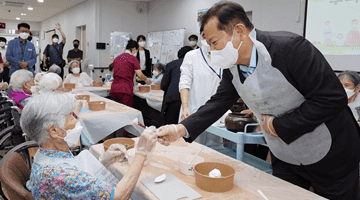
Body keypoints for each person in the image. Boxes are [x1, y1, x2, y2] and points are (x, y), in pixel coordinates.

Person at [156, 2, 360, 200]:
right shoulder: (232, 66)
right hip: (286, 156)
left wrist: (277, 125)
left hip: (332, 153)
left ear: (238, 31)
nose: (212, 50)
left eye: (214, 42)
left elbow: (332, 98)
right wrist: (180, 129)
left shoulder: (291, 49)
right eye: (209, 44)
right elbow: (218, 102)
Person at [21, 92, 158, 199]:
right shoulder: (61, 175)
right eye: (70, 117)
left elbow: (78, 177)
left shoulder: (46, 153)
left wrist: (105, 160)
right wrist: (141, 152)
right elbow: (119, 196)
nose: (76, 121)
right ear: (54, 130)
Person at [178, 28, 223, 146]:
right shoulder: (191, 56)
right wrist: (185, 106)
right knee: (190, 149)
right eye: (203, 36)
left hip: (214, 112)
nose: (207, 40)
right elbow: (184, 82)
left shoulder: (222, 56)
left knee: (213, 150)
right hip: (192, 109)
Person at [110, 39, 151, 107]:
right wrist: (147, 80)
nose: (136, 52)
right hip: (125, 90)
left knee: (116, 112)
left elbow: (117, 72)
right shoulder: (133, 59)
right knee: (126, 113)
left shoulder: (117, 58)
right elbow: (140, 75)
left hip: (114, 89)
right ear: (134, 49)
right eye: (137, 50)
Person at [161, 46, 193, 125]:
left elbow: (163, 85)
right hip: (189, 101)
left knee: (170, 127)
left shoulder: (171, 64)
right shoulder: (195, 65)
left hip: (173, 99)